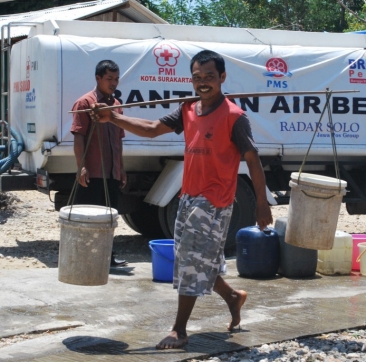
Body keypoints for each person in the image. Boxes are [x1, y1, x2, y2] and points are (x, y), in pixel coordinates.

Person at [91, 50, 273, 349]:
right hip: (188, 195)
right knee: (198, 258)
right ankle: (232, 296)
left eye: (209, 78)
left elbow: (252, 160)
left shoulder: (234, 117)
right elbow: (151, 130)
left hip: (214, 200)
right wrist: (113, 117)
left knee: (190, 260)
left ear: (222, 78)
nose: (203, 83)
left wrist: (260, 203)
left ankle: (179, 329)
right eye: (197, 78)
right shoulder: (188, 109)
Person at [71, 59, 128, 267]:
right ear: (98, 79)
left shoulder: (116, 107)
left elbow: (119, 140)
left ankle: (107, 257)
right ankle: (83, 258)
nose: (113, 83)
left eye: (116, 79)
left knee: (109, 216)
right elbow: (78, 137)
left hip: (111, 172)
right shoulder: (85, 103)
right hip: (93, 172)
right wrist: (81, 167)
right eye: (109, 79)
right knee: (87, 217)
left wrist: (121, 168)